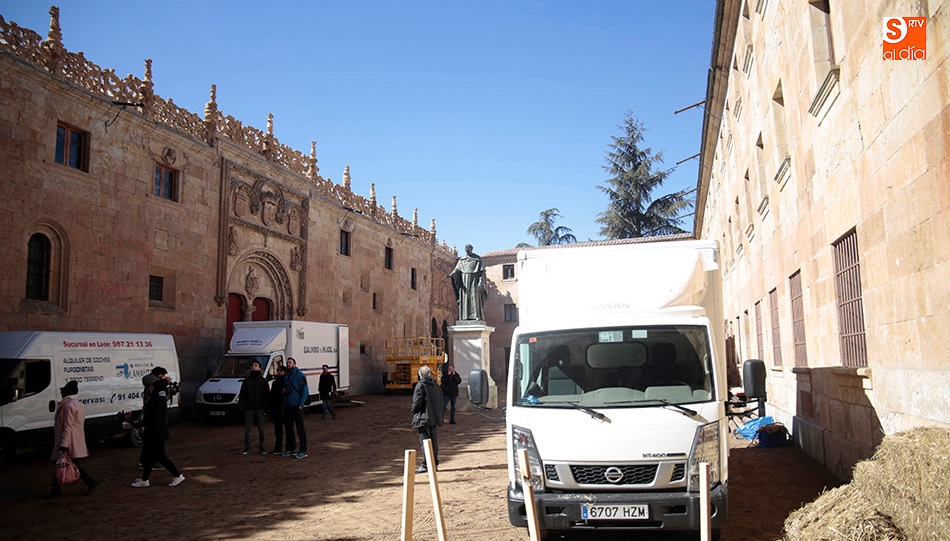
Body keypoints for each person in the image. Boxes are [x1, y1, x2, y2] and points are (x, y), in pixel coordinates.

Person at [131, 367, 185, 488]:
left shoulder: (156, 399)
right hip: (156, 431)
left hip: (155, 432)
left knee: (159, 456)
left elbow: (152, 417)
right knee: (150, 457)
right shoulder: (159, 398)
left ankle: (177, 475)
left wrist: (138, 424)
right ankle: (145, 479)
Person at [44, 380, 98, 498]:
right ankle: (89, 482)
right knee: (71, 463)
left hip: (67, 440)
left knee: (59, 463)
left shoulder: (68, 406)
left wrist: (63, 444)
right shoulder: (77, 405)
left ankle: (56, 491)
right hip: (74, 439)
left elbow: (67, 426)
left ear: (66, 393)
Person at [411, 365, 444, 473]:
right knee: (433, 441)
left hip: (423, 417)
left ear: (420, 375)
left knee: (425, 442)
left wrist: (413, 410)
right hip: (434, 417)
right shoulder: (435, 385)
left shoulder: (421, 385)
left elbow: (417, 401)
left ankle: (426, 464)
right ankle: (434, 463)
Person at [448, 244, 487, 321]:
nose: (467, 250)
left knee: (474, 297)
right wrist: (452, 274)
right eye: (465, 249)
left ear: (471, 249)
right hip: (464, 280)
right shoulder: (462, 260)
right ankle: (464, 316)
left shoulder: (477, 259)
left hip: (474, 280)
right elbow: (457, 269)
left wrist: (480, 283)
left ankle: (476, 315)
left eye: (468, 249)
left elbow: (482, 273)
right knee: (465, 297)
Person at [238, 360, 269, 455]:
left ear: (259, 368)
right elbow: (242, 394)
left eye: (256, 365)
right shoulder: (247, 381)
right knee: (247, 428)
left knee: (261, 428)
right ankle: (247, 448)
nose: (254, 367)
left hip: (260, 407)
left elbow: (266, 395)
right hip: (249, 408)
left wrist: (266, 408)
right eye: (252, 365)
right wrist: (242, 406)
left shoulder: (263, 381)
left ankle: (262, 447)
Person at [281, 357, 309, 459]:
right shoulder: (286, 376)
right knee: (288, 429)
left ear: (294, 364)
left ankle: (303, 450)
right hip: (288, 406)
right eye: (287, 363)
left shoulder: (300, 375)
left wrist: (301, 404)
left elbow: (305, 391)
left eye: (290, 363)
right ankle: (290, 448)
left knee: (300, 429)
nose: (288, 364)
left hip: (297, 406)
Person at [269, 365, 287, 455]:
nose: (279, 372)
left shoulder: (287, 381)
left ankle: (289, 448)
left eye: (280, 370)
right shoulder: (275, 383)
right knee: (278, 430)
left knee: (288, 429)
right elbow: (272, 396)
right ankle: (278, 448)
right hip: (277, 408)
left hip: (285, 407)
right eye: (278, 370)